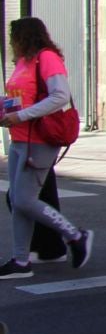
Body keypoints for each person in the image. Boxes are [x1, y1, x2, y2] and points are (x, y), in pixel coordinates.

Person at [0, 19, 92, 280]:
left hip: (39, 140)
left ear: (24, 37)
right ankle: (20, 261)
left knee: (23, 200)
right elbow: (19, 98)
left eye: (13, 36)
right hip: (19, 139)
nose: (10, 42)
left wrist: (23, 116)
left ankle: (75, 235)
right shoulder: (23, 63)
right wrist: (5, 109)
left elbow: (60, 96)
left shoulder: (47, 58)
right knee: (18, 203)